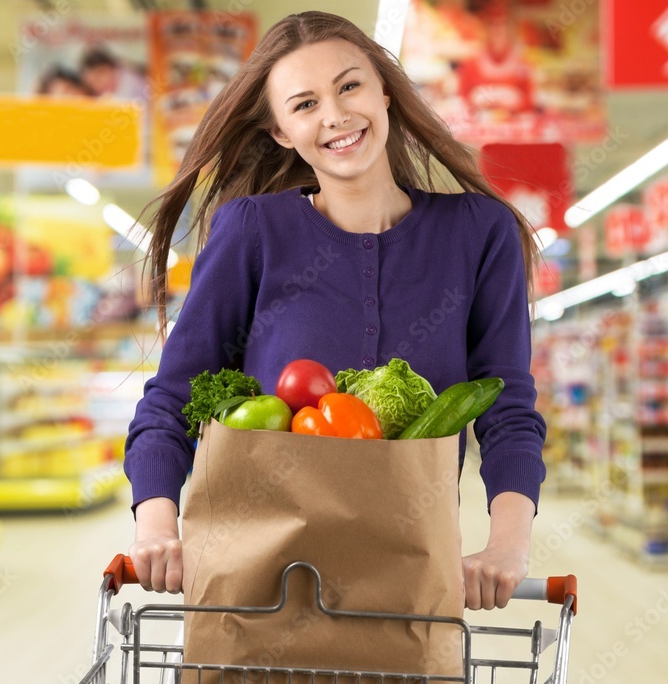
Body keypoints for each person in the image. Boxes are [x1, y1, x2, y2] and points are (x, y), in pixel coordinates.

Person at [124, 11, 546, 613]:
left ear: (385, 93)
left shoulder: (479, 233)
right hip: (258, 588)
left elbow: (507, 409)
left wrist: (507, 546)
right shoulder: (252, 233)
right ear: (280, 132)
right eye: (304, 104)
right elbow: (175, 395)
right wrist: (156, 527)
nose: (335, 115)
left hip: (410, 583)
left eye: (349, 86)